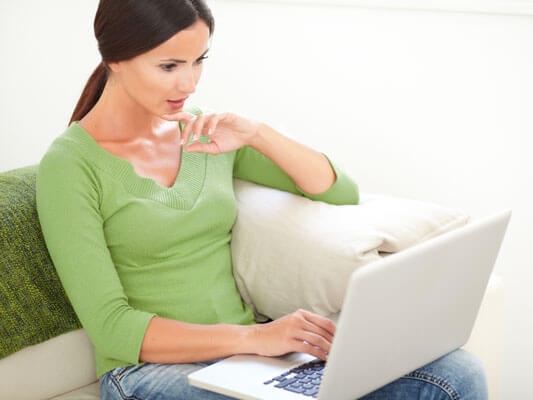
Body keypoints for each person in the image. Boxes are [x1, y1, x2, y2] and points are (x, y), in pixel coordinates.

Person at [35, 1, 488, 399]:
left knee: (454, 373)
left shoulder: (201, 132)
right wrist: (256, 338)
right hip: (147, 374)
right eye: (169, 66)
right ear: (115, 58)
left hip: (246, 360)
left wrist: (257, 134)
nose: (189, 83)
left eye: (199, 61)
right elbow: (113, 326)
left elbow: (336, 189)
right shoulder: (70, 165)